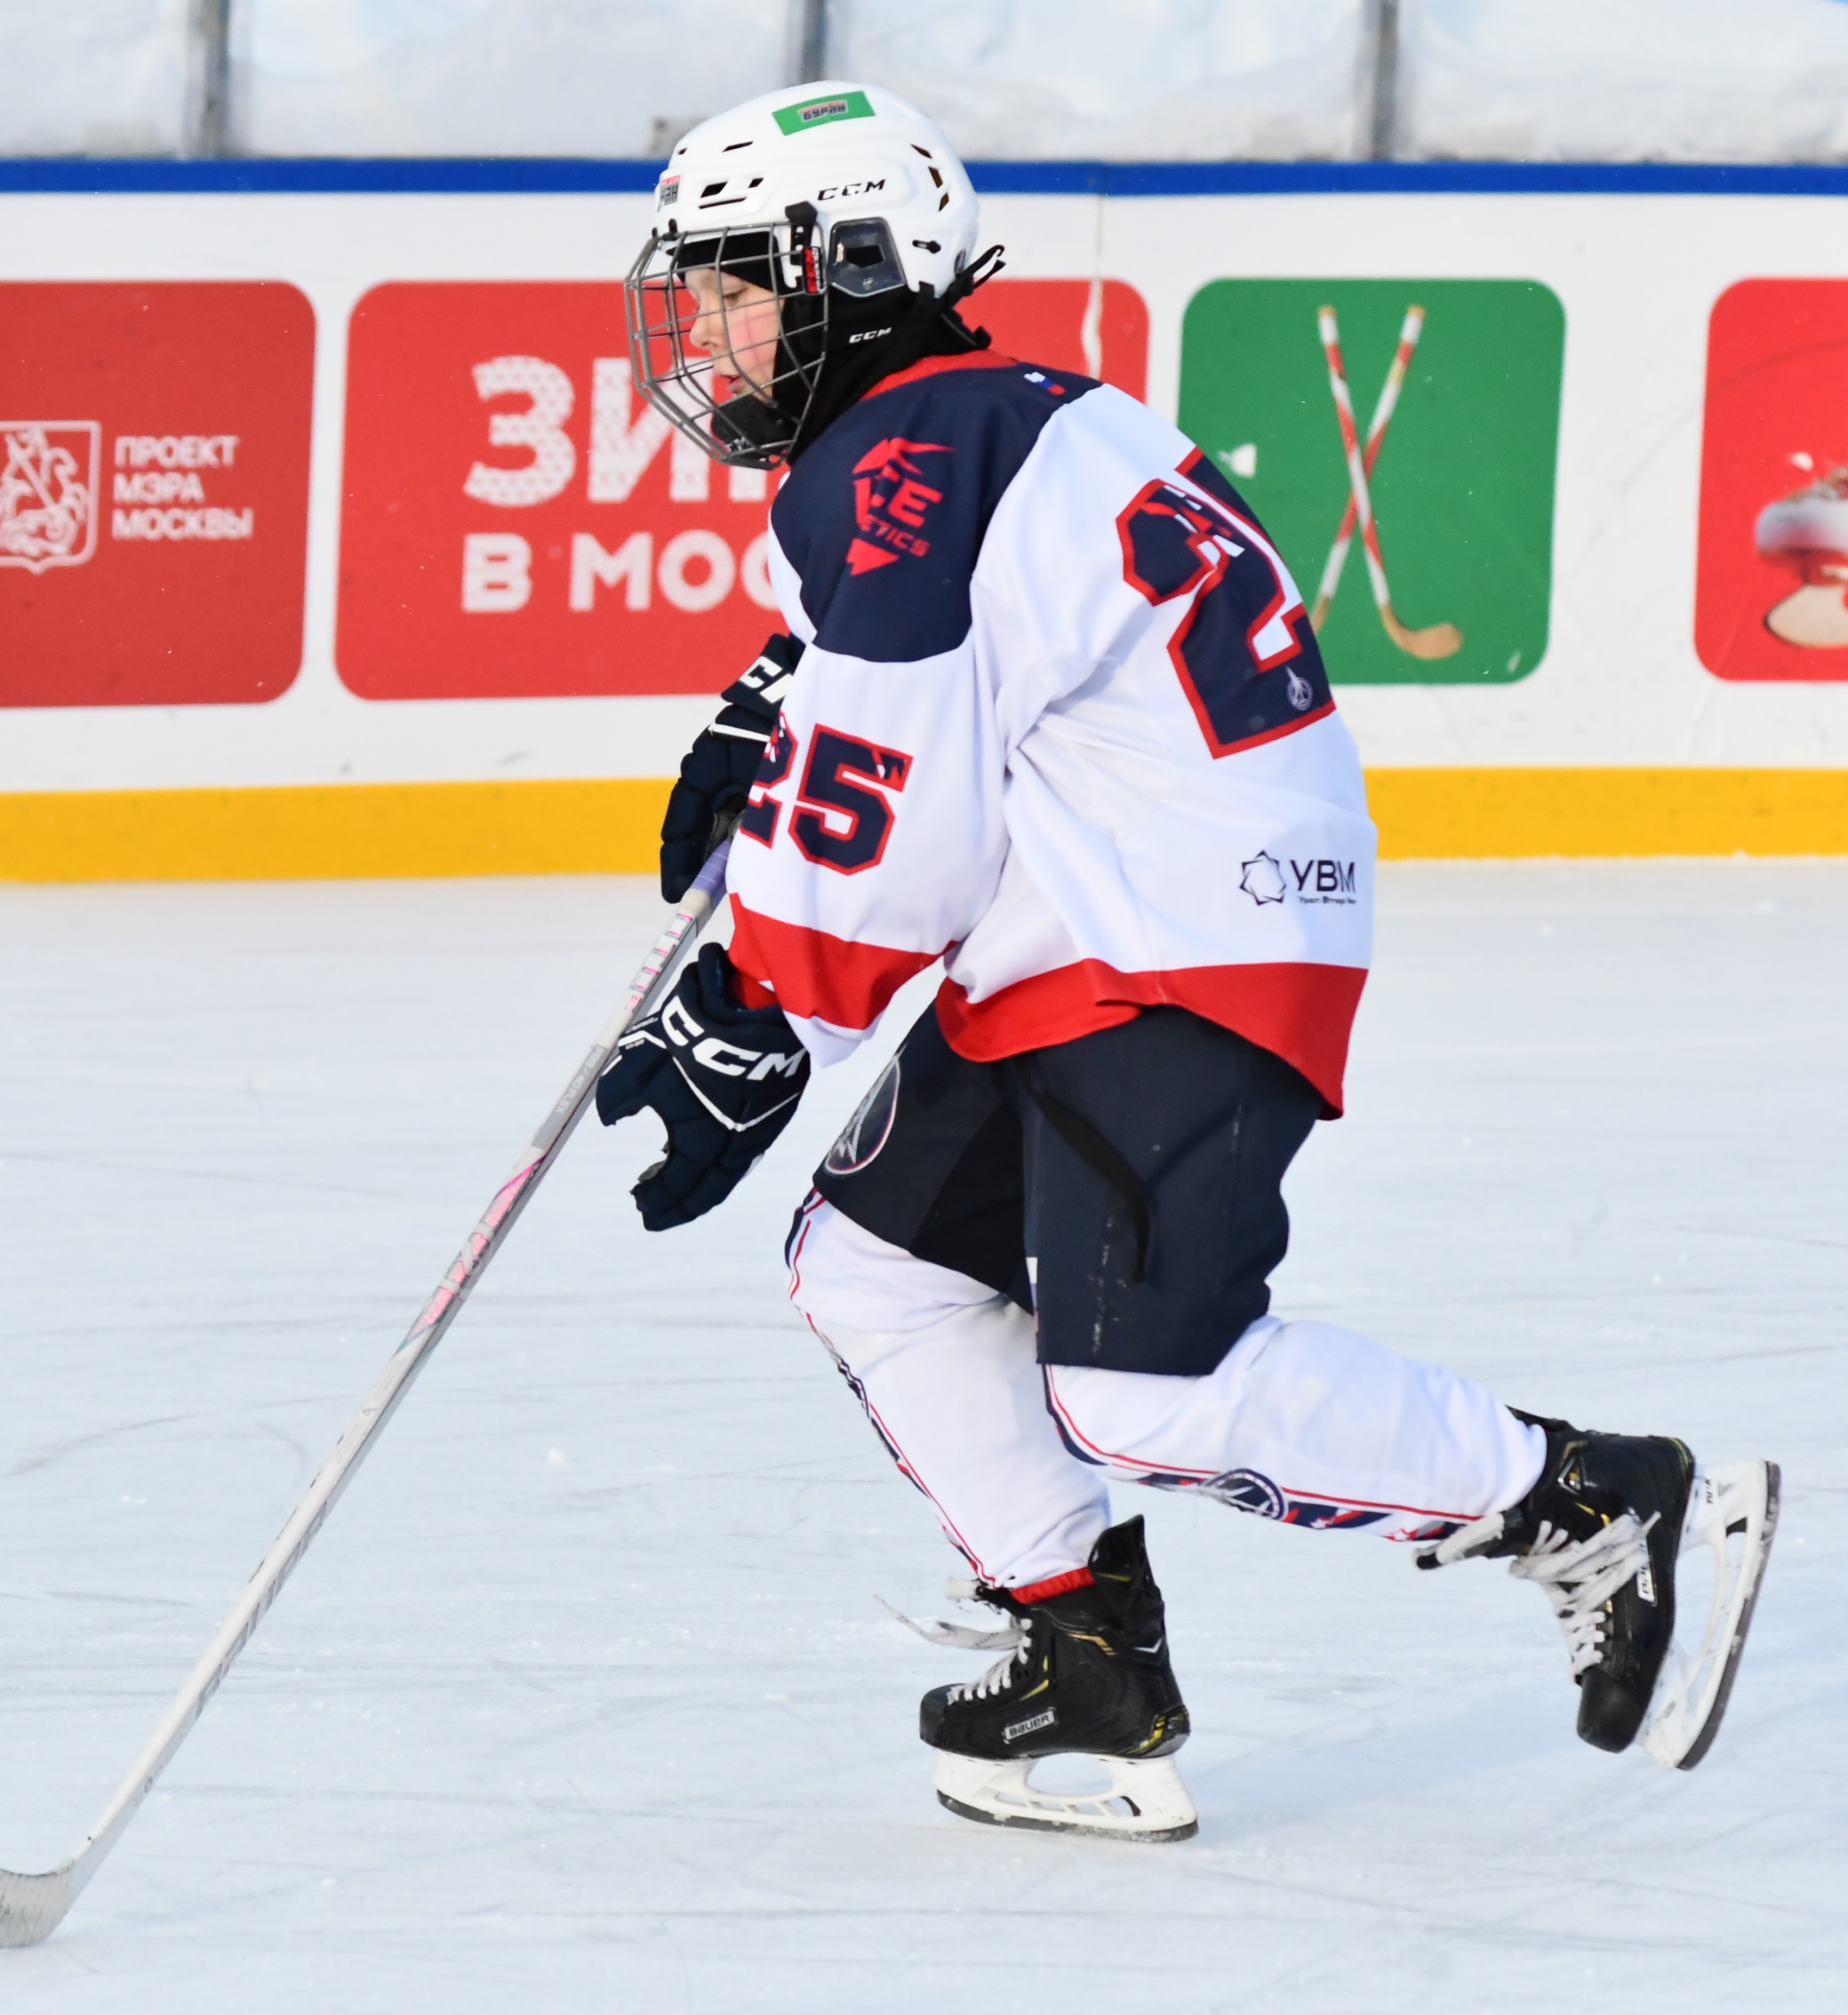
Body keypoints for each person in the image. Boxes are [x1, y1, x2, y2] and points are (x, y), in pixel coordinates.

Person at [595, 80, 1778, 1840]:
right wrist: (772, 707)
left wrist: (760, 999)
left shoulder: (904, 458)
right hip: (1114, 931)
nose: (708, 330)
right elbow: (944, 661)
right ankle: (1087, 1662)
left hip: (1172, 947)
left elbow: (896, 831)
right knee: (878, 1265)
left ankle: (1595, 1497)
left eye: (738, 283)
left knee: (1152, 1390)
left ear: (850, 268)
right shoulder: (1003, 419)